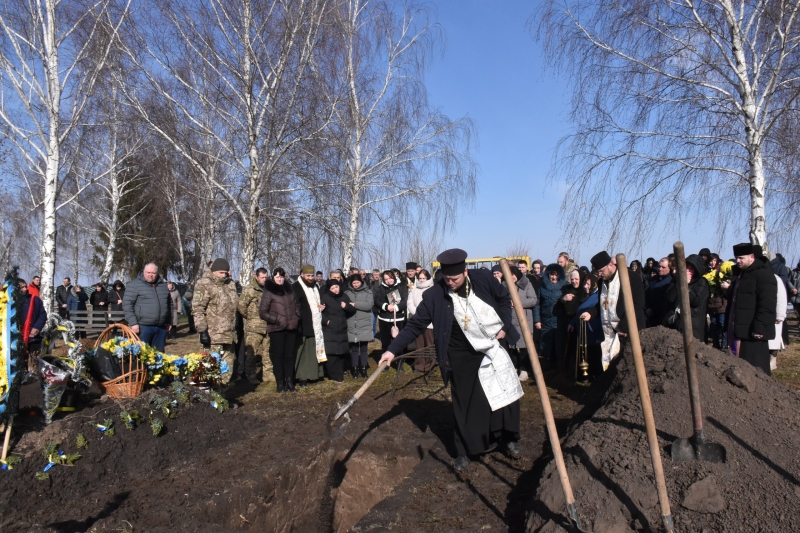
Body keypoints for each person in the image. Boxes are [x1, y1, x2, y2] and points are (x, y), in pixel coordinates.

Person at [380, 248, 522, 473]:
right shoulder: (435, 295)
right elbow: (416, 324)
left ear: (465, 271)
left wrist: (504, 325)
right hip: (460, 353)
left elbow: (504, 299)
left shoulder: (484, 279)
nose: (451, 282)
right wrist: (392, 350)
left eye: (455, 278)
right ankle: (464, 450)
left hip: (492, 344)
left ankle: (510, 437)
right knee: (465, 403)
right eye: (446, 279)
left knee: (504, 392)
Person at [580, 251, 645, 371]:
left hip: (627, 331)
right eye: (597, 272)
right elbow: (603, 305)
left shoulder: (630, 277)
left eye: (601, 271)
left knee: (627, 367)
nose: (599, 275)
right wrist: (591, 313)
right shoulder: (602, 282)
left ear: (610, 265)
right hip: (609, 333)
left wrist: (625, 327)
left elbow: (638, 305)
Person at [725, 243, 777, 375]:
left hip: (753, 332)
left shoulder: (764, 275)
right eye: (736, 258)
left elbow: (767, 304)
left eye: (741, 258)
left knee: (755, 368)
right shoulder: (740, 275)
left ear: (752, 257)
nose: (737, 261)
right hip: (737, 329)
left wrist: (759, 326)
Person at [192, 258, 238, 386]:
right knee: (209, 369)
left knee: (227, 370)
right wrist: (202, 331)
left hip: (229, 335)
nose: (224, 275)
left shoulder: (230, 284)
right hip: (213, 336)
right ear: (213, 271)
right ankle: (208, 399)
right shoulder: (204, 284)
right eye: (221, 273)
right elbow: (198, 309)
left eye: (226, 272)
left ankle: (221, 397)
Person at [259, 267, 301, 392]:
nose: (279, 279)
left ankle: (289, 381)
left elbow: (297, 305)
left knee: (289, 355)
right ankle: (280, 382)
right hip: (277, 328)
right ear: (273, 278)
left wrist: (297, 317)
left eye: (281, 277)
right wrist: (276, 319)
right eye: (277, 277)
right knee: (278, 356)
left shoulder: (290, 290)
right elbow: (262, 312)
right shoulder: (269, 292)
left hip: (291, 327)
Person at [123, 263, 172, 351]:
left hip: (160, 327)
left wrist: (169, 321)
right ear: (143, 271)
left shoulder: (163, 286)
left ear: (157, 273)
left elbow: (169, 305)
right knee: (141, 355)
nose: (150, 275)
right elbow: (127, 305)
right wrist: (133, 323)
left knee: (159, 356)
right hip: (142, 327)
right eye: (148, 272)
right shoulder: (134, 285)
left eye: (153, 273)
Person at [293, 265, 326, 386]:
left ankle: (315, 374)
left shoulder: (315, 286)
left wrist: (319, 307)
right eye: (308, 276)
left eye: (312, 275)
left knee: (313, 349)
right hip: (303, 324)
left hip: (315, 323)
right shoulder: (296, 287)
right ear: (302, 274)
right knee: (303, 352)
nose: (310, 278)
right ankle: (302, 376)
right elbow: (295, 305)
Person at [664, 254, 709, 341]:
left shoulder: (702, 282)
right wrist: (679, 282)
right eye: (687, 266)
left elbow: (696, 301)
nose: (688, 270)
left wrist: (685, 285)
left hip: (693, 326)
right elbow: (670, 297)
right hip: (676, 324)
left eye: (691, 268)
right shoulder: (676, 280)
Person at [504, 265, 537, 382]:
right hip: (510, 319)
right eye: (509, 275)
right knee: (512, 346)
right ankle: (514, 367)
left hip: (524, 320)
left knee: (524, 346)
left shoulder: (527, 284)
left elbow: (533, 299)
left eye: (513, 274)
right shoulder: (504, 286)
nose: (511, 277)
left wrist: (517, 303)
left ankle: (524, 369)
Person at [568, 273, 603, 380]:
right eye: (585, 284)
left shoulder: (597, 297)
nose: (585, 286)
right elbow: (579, 312)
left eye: (588, 284)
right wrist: (572, 323)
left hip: (593, 330)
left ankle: (596, 378)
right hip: (583, 331)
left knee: (594, 355)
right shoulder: (585, 296)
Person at [238, 268, 270, 385]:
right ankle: (250, 375)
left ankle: (268, 374)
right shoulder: (249, 290)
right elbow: (241, 307)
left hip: (268, 326)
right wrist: (252, 318)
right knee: (251, 353)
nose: (264, 280)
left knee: (267, 352)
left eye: (266, 277)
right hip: (254, 327)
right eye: (262, 277)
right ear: (256, 276)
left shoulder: (268, 289)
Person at [320, 279, 353, 382]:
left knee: (341, 353)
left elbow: (352, 309)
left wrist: (346, 306)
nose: (335, 290)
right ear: (329, 289)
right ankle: (334, 375)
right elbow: (318, 312)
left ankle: (339, 373)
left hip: (342, 328)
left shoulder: (344, 296)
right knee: (332, 353)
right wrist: (326, 321)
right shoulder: (325, 297)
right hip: (330, 329)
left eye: (336, 287)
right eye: (332, 288)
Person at [536, 263, 566, 368]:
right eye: (551, 275)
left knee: (559, 342)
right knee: (546, 342)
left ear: (560, 275)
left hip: (559, 320)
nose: (553, 277)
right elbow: (537, 304)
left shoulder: (565, 286)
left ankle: (560, 365)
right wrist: (537, 320)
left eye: (556, 275)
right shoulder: (542, 287)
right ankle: (547, 365)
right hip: (545, 319)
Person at [345, 273, 374, 378]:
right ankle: (355, 369)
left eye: (357, 282)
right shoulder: (347, 293)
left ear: (361, 282)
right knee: (353, 348)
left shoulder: (368, 292)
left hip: (364, 323)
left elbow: (369, 305)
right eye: (354, 283)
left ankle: (363, 368)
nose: (356, 285)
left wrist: (355, 304)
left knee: (363, 348)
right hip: (352, 323)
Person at [407, 269, 435, 372]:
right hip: (417, 320)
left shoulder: (432, 289)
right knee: (419, 344)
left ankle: (429, 366)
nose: (422, 280)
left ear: (427, 278)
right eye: (420, 278)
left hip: (429, 321)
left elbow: (434, 305)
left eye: (423, 278)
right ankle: (419, 366)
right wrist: (417, 313)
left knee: (429, 344)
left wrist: (425, 315)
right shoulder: (414, 289)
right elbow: (410, 303)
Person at [373, 269, 408, 352]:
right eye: (386, 279)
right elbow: (377, 300)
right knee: (385, 342)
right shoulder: (380, 288)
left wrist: (396, 307)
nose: (389, 281)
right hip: (384, 319)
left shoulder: (401, 286)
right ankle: (386, 362)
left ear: (394, 277)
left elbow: (405, 300)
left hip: (398, 318)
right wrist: (386, 306)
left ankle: (398, 362)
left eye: (390, 278)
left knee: (399, 342)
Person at [17, 279, 47, 372]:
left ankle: (35, 381)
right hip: (17, 338)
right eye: (22, 287)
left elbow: (42, 315)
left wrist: (37, 328)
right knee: (20, 364)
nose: (25, 289)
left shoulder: (35, 299)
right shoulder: (11, 302)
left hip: (33, 337)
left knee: (35, 363)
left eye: (25, 286)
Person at [559, 270, 584, 371]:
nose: (574, 281)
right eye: (572, 279)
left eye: (576, 279)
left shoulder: (583, 290)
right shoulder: (567, 289)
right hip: (567, 321)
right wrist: (564, 299)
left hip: (578, 322)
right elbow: (560, 303)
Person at [645, 258, 673, 328]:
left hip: (662, 316)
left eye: (663, 267)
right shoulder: (653, 279)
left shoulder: (671, 282)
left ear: (669, 268)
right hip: (649, 315)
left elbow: (667, 300)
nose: (660, 269)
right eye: (659, 266)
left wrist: (654, 310)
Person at [769, 270, 787, 371]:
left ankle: (772, 360)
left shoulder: (775, 278)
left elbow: (781, 297)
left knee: (773, 340)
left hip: (773, 315)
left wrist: (780, 314)